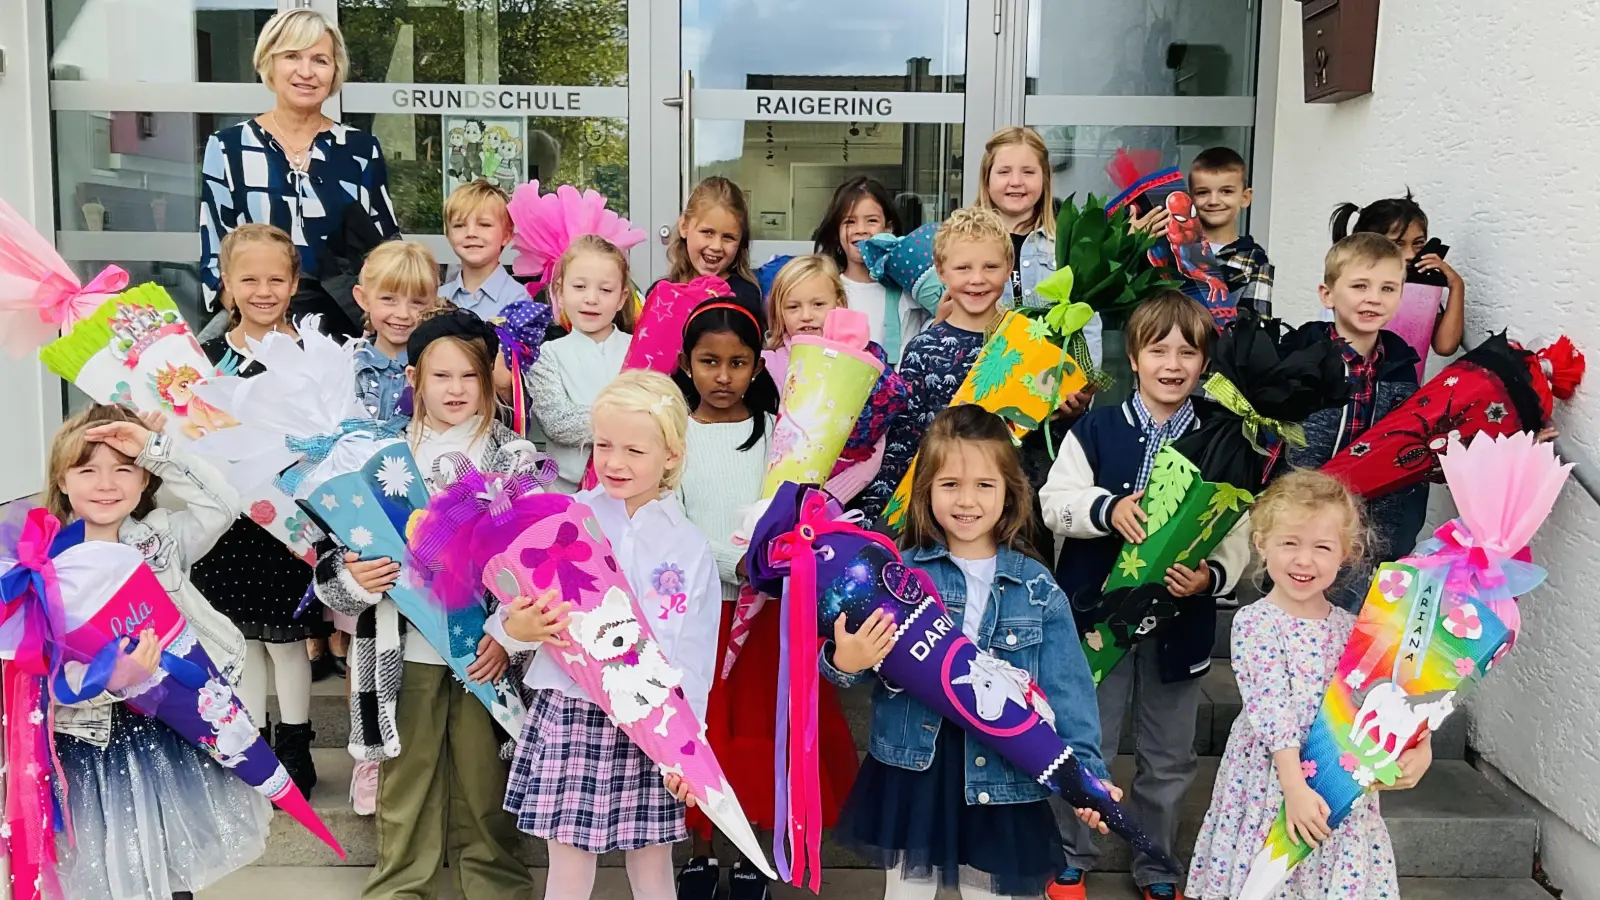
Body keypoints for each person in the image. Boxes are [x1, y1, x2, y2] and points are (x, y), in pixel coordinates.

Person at [826, 404, 1114, 900]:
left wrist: (1089, 773)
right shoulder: (898, 574)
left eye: (984, 485)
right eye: (950, 484)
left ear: (1008, 491)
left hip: (1003, 776)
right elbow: (854, 660)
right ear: (926, 490)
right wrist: (843, 662)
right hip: (915, 772)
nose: (967, 501)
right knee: (908, 894)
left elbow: (1070, 693)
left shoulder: (1038, 587)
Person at [313, 308, 538, 900]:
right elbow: (328, 567)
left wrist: (510, 634)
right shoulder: (376, 456)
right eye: (441, 376)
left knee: (485, 784)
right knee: (406, 784)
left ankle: (496, 888)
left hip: (484, 655)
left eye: (469, 375)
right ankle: (400, 889)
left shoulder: (513, 458)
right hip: (400, 647)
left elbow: (538, 563)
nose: (456, 389)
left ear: (489, 379)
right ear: (413, 379)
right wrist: (355, 577)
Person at [1039, 291, 1251, 900]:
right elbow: (1055, 504)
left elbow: (1238, 530)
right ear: (1133, 356)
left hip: (1178, 624)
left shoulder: (1223, 439)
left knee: (1169, 757)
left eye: (1188, 352)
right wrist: (1105, 510)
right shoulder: (1097, 429)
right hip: (1095, 619)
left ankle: (1157, 864)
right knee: (1087, 741)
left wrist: (1212, 573)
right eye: (1158, 349)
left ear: (1204, 362)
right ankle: (1074, 856)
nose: (1172, 364)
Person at [489, 370, 721, 900]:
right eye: (603, 445)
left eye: (634, 450)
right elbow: (511, 606)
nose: (614, 462)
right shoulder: (565, 518)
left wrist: (688, 743)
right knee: (569, 865)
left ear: (672, 454)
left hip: (653, 722)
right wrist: (513, 629)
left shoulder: (688, 545)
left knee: (653, 861)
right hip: (573, 709)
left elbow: (695, 652)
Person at [667, 297, 857, 900]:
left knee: (760, 732)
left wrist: (771, 563)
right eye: (709, 361)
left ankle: (756, 851)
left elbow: (799, 511)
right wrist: (741, 563)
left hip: (772, 614)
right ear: (686, 363)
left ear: (759, 368)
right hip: (701, 613)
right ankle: (700, 850)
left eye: (739, 363)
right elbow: (669, 521)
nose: (723, 377)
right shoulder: (673, 437)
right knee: (704, 731)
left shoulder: (780, 436)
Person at [46, 403, 269, 900]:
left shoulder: (162, 539)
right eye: (87, 470)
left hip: (171, 725)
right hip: (91, 740)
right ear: (62, 480)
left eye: (123, 470)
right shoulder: (43, 567)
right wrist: (110, 681)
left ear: (144, 481)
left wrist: (154, 448)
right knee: (110, 869)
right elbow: (43, 678)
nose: (106, 484)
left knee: (172, 868)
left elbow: (223, 505)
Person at [1187, 470, 1434, 899]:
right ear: (1261, 542)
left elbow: (1391, 694)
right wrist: (1295, 789)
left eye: (1322, 547)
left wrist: (1420, 746)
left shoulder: (1355, 630)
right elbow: (1273, 712)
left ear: (1345, 554)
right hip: (1272, 780)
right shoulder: (1255, 623)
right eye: (1290, 543)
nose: (1305, 560)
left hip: (1339, 782)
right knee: (1268, 876)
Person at [191, 223, 321, 796]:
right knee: (240, 639)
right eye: (249, 278)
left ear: (294, 283)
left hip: (286, 520)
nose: (263, 290)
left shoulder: (310, 354)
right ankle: (255, 747)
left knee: (287, 639)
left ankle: (296, 743)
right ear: (226, 282)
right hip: (225, 521)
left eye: (276, 278)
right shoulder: (205, 360)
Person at [199, 8, 397, 340]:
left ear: (335, 71)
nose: (306, 72)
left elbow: (385, 251)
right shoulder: (228, 147)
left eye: (320, 60)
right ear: (269, 63)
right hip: (257, 333)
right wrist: (262, 331)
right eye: (292, 56)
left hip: (345, 334)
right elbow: (215, 257)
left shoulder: (361, 150)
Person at [1282, 233, 1427, 610]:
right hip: (1304, 523)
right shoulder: (1300, 361)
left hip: (1375, 529)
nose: (1374, 298)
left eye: (1388, 288)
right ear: (1327, 294)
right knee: (1299, 619)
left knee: (1352, 625)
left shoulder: (1402, 367)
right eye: (1360, 285)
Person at [859, 207, 1010, 520]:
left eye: (991, 266)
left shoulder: (1026, 341)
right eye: (963, 268)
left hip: (1009, 509)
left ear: (1008, 267)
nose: (977, 279)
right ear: (941, 271)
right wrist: (876, 519)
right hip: (940, 512)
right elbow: (903, 442)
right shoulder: (924, 349)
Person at [764, 254, 909, 504]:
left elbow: (874, 445)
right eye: (793, 307)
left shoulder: (861, 363)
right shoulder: (768, 364)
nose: (806, 315)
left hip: (836, 502)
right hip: (775, 495)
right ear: (779, 311)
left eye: (818, 304)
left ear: (839, 303)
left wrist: (833, 495)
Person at [526, 234, 636, 492]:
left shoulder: (637, 350)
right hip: (565, 495)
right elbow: (557, 422)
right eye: (579, 287)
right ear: (560, 292)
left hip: (629, 492)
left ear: (621, 298)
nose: (591, 298)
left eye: (605, 290)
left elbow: (657, 416)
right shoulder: (547, 355)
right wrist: (630, 421)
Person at [1331, 192, 1466, 359]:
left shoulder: (1422, 289)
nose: (1410, 254)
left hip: (1406, 382)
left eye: (1418, 243)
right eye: (1397, 244)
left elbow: (1445, 346)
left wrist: (1456, 284)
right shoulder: (1352, 287)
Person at [813, 176, 926, 363]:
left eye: (871, 220)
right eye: (850, 221)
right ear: (836, 231)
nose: (861, 230)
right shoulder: (826, 289)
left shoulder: (909, 290)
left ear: (888, 228)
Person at [353, 240, 442, 423]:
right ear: (363, 298)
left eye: (416, 302)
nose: (403, 314)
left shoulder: (440, 369)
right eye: (388, 299)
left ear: (433, 303)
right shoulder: (344, 368)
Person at [1188, 147, 1274, 319]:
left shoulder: (1255, 260)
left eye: (1226, 191)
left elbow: (1256, 325)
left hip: (1226, 344)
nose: (1214, 201)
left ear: (1245, 197)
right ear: (1189, 198)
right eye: (1203, 192)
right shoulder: (1177, 250)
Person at [665, 176, 762, 305]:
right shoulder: (662, 293)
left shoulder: (744, 296)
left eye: (728, 237)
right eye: (707, 232)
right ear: (684, 226)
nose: (716, 246)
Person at [439, 180, 527, 320]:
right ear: (448, 235)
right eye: (459, 225)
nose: (471, 233)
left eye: (484, 225)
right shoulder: (438, 298)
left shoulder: (517, 300)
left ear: (507, 235)